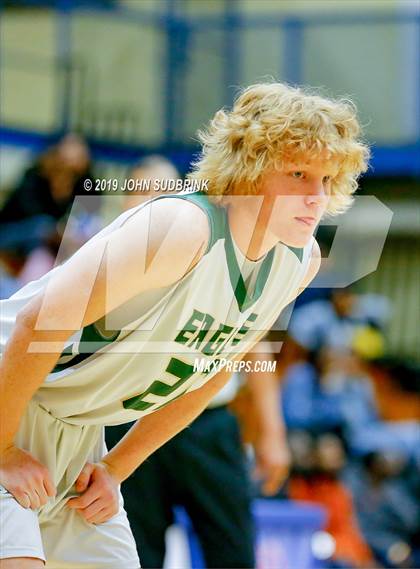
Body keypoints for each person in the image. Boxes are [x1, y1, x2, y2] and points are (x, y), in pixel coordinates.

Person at [0, 82, 369, 568]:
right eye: (298, 173)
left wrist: (115, 469)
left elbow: (216, 372)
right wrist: (4, 447)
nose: (314, 197)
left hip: (77, 431)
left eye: (325, 180)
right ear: (249, 169)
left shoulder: (299, 262)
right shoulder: (182, 228)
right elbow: (35, 324)